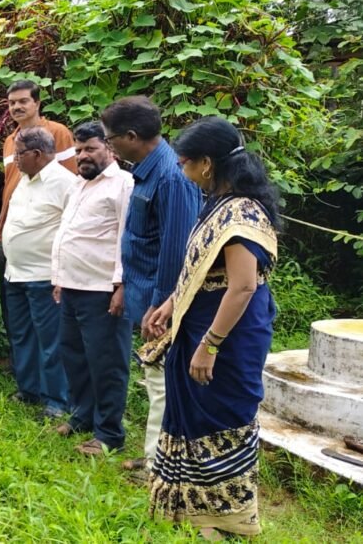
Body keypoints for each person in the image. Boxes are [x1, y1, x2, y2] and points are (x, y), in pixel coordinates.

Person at [142, 117, 279, 539]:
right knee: (190, 416)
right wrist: (170, 304)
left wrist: (210, 346)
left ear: (205, 163)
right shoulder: (217, 203)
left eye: (184, 163)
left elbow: (240, 287)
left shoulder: (241, 215)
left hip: (228, 333)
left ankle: (229, 519)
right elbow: (201, 271)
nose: (181, 171)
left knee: (223, 416)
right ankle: (192, 512)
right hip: (197, 321)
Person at [101, 96, 202, 472]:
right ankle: (152, 455)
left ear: (131, 136)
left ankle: (158, 467)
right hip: (144, 294)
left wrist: (160, 308)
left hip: (161, 304)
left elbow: (176, 252)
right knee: (154, 380)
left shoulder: (172, 177)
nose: (109, 146)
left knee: (161, 384)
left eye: (111, 139)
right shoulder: (147, 170)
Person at [50, 121, 134, 455]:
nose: (83, 155)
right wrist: (58, 278)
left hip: (102, 290)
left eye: (90, 149)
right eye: (79, 149)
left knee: (106, 362)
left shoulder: (123, 184)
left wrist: (121, 285)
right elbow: (68, 231)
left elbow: (127, 238)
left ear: (109, 149)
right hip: (71, 286)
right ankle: (82, 416)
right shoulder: (78, 185)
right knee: (75, 357)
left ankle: (110, 433)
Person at [1, 127, 77, 418]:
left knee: (51, 341)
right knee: (21, 336)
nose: (15, 159)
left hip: (44, 275)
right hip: (15, 273)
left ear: (36, 154)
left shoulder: (65, 183)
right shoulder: (24, 179)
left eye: (19, 154)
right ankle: (29, 390)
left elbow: (71, 232)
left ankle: (56, 400)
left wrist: (61, 275)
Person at [0, 79, 77, 243]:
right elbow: (9, 186)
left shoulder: (57, 133)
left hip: (48, 230)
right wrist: (0, 227)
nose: (16, 107)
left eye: (23, 101)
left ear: (37, 103)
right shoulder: (10, 142)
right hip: (15, 226)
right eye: (12, 103)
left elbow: (73, 181)